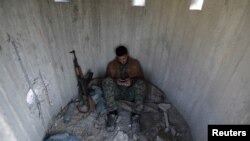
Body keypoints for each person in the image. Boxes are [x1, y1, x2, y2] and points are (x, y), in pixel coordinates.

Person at [102, 45, 146, 131]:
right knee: (106, 81)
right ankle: (112, 113)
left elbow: (141, 78)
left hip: (130, 93)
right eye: (120, 59)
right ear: (117, 57)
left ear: (127, 55)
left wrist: (131, 81)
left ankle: (135, 116)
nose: (122, 61)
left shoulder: (135, 63)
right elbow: (107, 79)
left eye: (124, 58)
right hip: (117, 93)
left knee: (142, 83)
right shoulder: (111, 65)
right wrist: (115, 81)